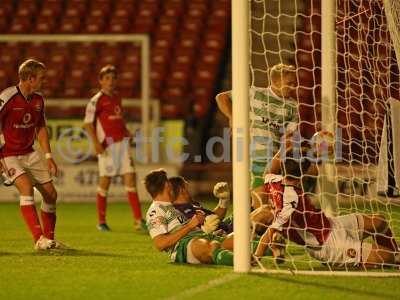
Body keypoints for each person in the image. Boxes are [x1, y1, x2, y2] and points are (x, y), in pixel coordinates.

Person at [253, 148, 399, 268]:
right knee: (386, 256)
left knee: (379, 221)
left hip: (330, 224)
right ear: (304, 173)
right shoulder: (291, 199)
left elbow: (272, 166)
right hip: (326, 245)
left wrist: (288, 146)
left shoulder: (272, 180)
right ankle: (389, 258)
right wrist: (257, 256)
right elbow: (271, 230)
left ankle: (395, 255)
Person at [0, 59, 64, 250]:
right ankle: (38, 239)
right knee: (26, 188)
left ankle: (49, 240)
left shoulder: (38, 100)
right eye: (41, 79)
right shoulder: (8, 97)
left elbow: (41, 127)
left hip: (30, 152)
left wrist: (48, 156)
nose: (44, 82)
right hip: (9, 153)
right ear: (29, 78)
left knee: (51, 194)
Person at [215, 64, 299, 189]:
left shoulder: (293, 105)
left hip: (275, 159)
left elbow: (289, 135)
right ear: (275, 81)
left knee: (269, 202)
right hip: (253, 155)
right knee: (261, 198)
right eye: (290, 83)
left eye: (295, 83)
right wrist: (232, 117)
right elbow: (222, 97)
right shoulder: (254, 93)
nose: (293, 87)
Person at [83, 65, 145, 232]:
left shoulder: (117, 97)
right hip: (107, 145)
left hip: (122, 144)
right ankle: (101, 221)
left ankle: (139, 220)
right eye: (107, 78)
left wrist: (127, 132)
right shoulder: (96, 100)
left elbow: (119, 119)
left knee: (131, 178)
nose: (110, 82)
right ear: (101, 81)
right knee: (106, 181)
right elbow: (87, 123)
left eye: (113, 78)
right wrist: (95, 143)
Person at [144, 169, 234, 265]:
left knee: (238, 240)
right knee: (209, 247)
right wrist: (190, 226)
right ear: (167, 185)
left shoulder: (172, 206)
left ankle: (250, 253)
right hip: (184, 244)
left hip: (202, 235)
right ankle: (248, 261)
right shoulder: (155, 211)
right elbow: (160, 244)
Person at [169, 176, 233, 234]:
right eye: (187, 186)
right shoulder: (178, 212)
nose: (190, 188)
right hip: (222, 236)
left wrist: (223, 201)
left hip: (226, 228)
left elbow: (214, 218)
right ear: (181, 190)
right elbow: (201, 229)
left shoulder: (192, 204)